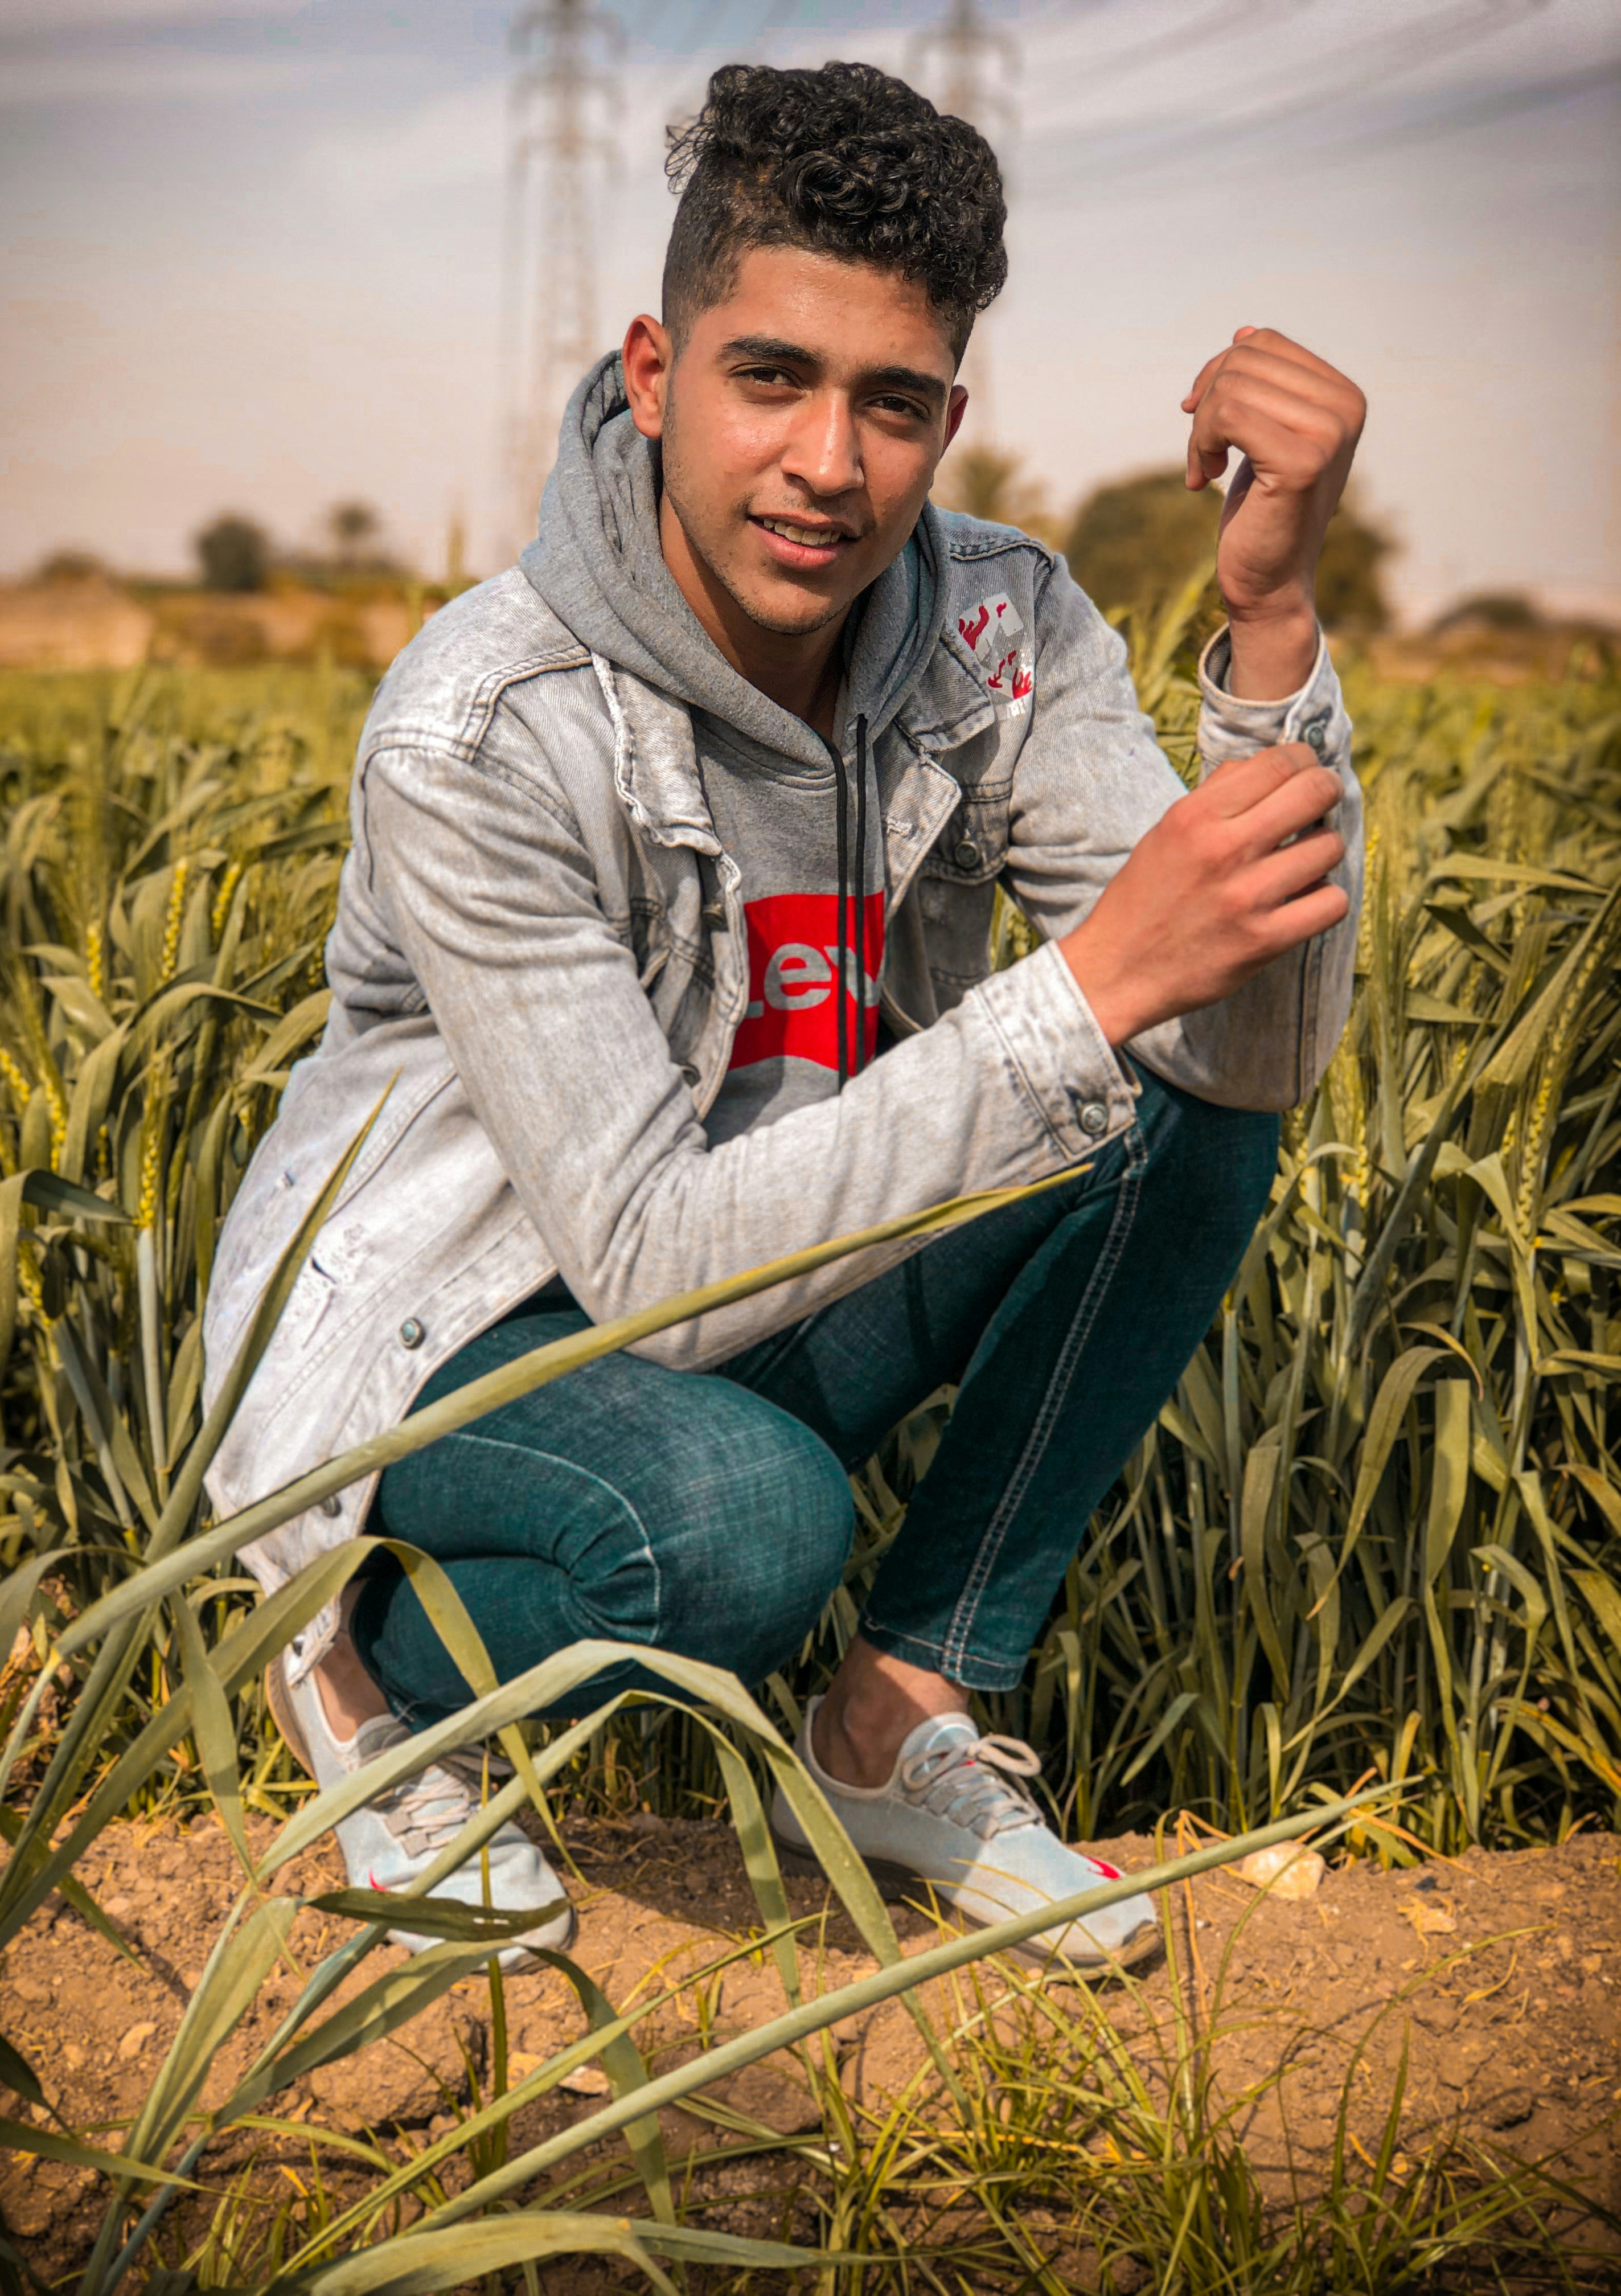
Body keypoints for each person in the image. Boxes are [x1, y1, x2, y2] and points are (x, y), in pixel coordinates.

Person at [203, 59, 1365, 1973]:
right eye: (772, 379)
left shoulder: (1001, 627)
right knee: (744, 1530)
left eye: (890, 404)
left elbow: (1253, 1059)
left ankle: (899, 1717)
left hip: (775, 1251)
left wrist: (1270, 633)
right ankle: (361, 1690)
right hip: (458, 1338)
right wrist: (1086, 990)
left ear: (947, 419)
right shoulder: (480, 727)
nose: (830, 462)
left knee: (1179, 1112)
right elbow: (650, 1251)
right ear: (657, 373)